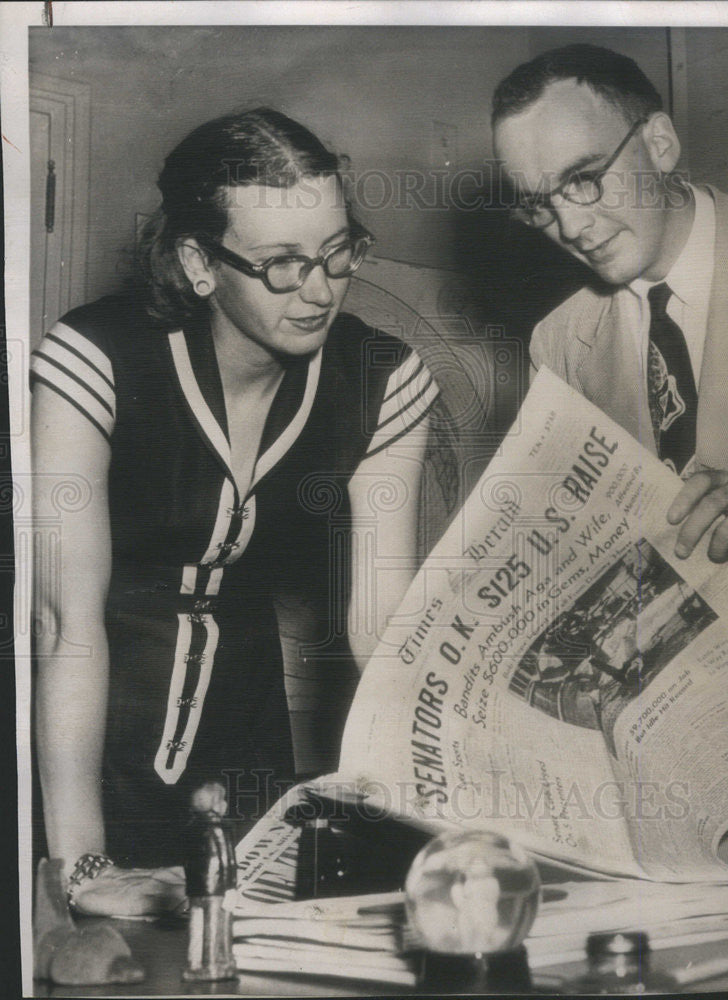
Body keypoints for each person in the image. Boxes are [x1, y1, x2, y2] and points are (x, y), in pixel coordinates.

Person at [31, 108, 439, 915]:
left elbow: (382, 626)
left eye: (337, 251)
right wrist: (76, 867)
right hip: (83, 722)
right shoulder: (93, 359)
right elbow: (60, 622)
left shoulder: (384, 380)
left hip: (241, 729)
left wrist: (440, 809)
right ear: (198, 263)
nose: (320, 290)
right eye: (283, 265)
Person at [490, 44, 728, 874]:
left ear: (658, 143)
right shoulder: (559, 343)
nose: (571, 225)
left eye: (583, 177)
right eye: (538, 205)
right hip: (678, 811)